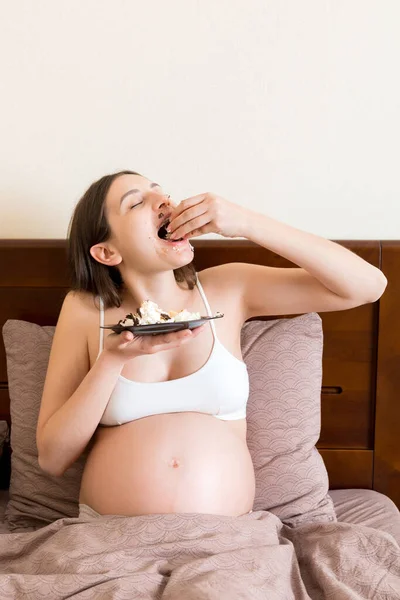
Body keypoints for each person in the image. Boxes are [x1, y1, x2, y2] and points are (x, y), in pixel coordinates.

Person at [36, 169, 387, 518]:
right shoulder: (85, 311)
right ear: (107, 252)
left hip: (225, 542)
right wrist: (109, 363)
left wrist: (246, 223)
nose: (164, 201)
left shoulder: (228, 287)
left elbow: (367, 286)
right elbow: (52, 458)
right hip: (111, 540)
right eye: (137, 202)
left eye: (161, 191)